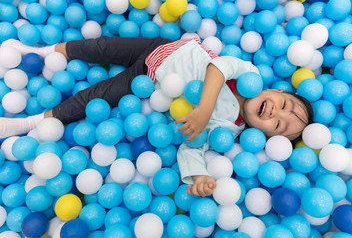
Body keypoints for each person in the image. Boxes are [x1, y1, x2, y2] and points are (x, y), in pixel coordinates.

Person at [0, 36, 313, 197]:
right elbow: (218, 67)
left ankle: (29, 122)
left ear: (264, 136)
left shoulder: (228, 128)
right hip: (163, 47)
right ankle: (41, 50)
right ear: (275, 90)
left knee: (95, 98)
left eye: (279, 125)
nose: (276, 112)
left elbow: (193, 144)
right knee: (99, 47)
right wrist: (203, 109)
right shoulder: (251, 75)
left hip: (147, 79)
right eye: (284, 104)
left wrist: (198, 176)